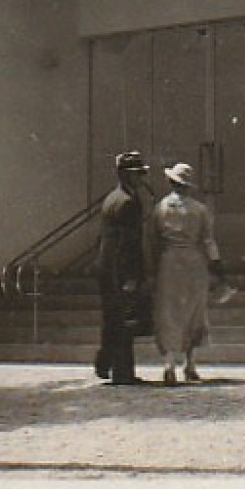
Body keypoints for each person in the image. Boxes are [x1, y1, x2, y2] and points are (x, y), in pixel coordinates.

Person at [149, 161, 225, 385]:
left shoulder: (160, 208)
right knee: (194, 310)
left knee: (169, 311)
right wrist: (217, 265)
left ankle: (169, 363)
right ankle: (190, 364)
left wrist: (154, 266)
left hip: (169, 262)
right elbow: (208, 240)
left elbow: (153, 239)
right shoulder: (200, 210)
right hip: (194, 261)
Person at [94, 150, 150, 385]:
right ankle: (120, 370)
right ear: (126, 175)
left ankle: (110, 363)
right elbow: (128, 243)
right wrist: (131, 276)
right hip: (120, 269)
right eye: (137, 173)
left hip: (107, 267)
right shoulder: (128, 202)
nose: (141, 178)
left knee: (113, 318)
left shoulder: (112, 198)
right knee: (124, 320)